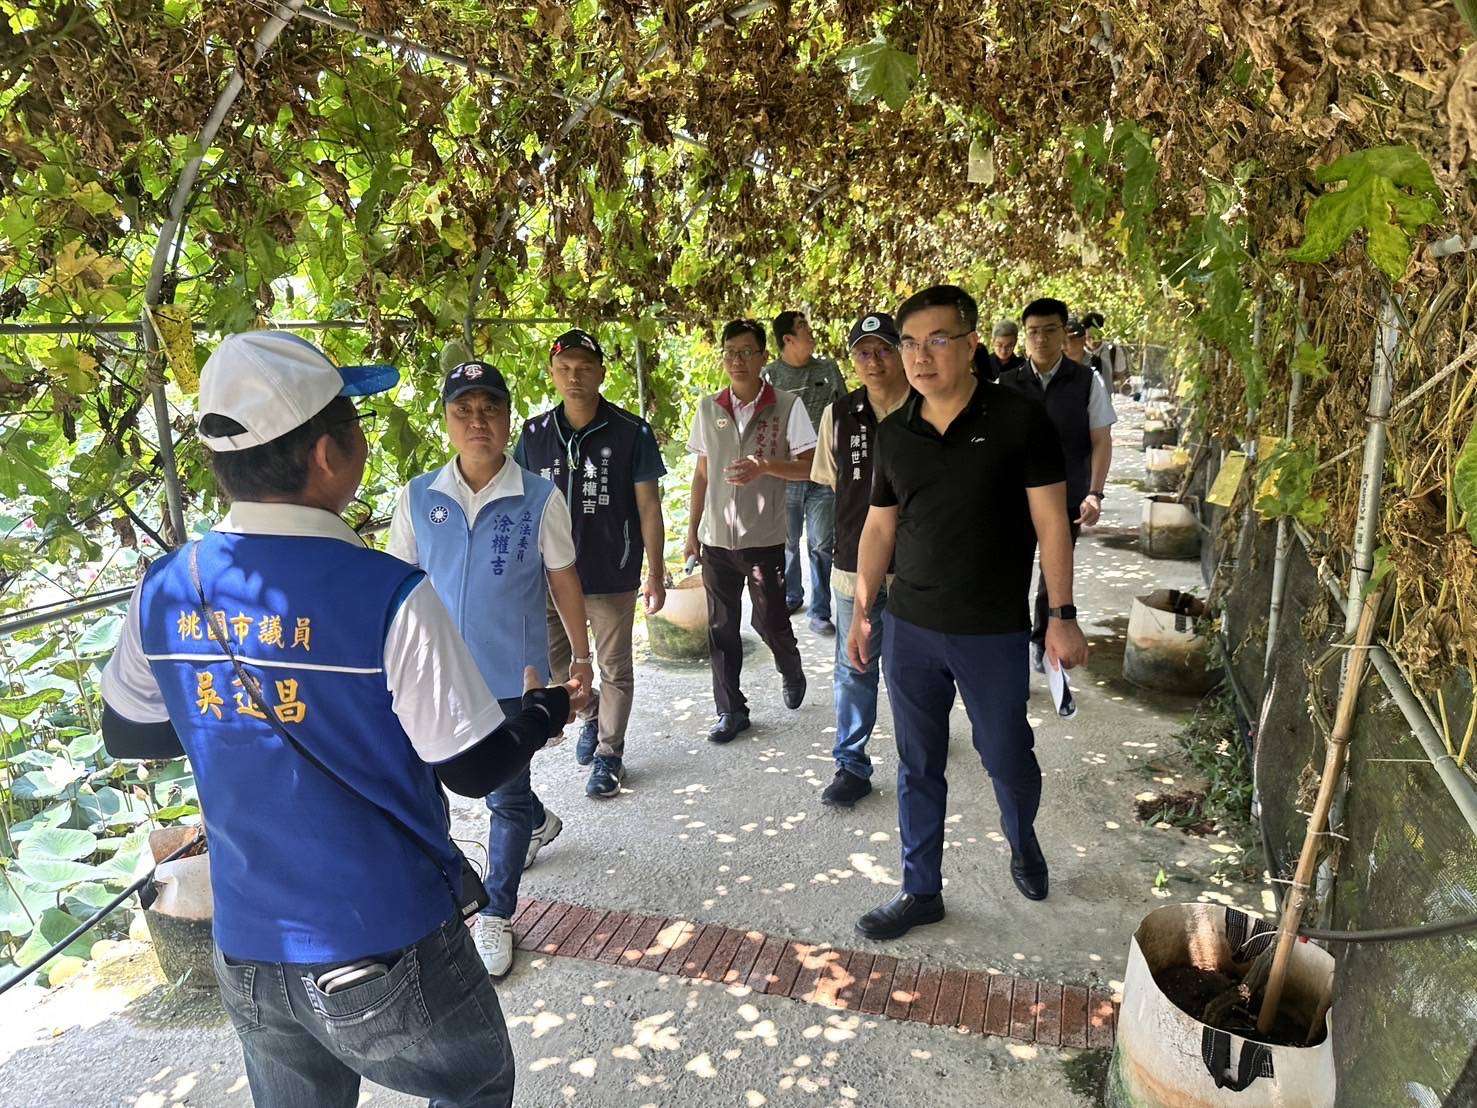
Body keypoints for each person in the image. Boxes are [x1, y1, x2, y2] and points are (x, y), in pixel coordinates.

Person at [99, 331, 580, 1107]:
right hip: (385, 935)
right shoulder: (387, 594)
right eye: (355, 420)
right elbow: (473, 768)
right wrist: (544, 711)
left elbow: (130, 734)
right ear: (329, 454)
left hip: (249, 942)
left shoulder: (165, 586)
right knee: (474, 1086)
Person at [847, 285, 1089, 941]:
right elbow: (878, 527)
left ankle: (1022, 838)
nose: (919, 357)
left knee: (1006, 756)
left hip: (991, 630)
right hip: (911, 629)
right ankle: (920, 889)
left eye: (937, 340)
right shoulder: (894, 432)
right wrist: (863, 610)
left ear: (970, 343)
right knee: (917, 764)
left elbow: (1052, 523)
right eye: (909, 343)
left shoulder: (1019, 419)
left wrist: (1061, 615)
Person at [387, 359, 593, 980]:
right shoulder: (418, 497)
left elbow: (563, 577)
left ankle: (497, 912)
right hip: (435, 675)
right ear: (447, 422)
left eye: (490, 409)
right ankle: (533, 819)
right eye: (463, 411)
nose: (477, 421)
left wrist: (580, 660)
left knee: (503, 796)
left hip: (511, 676)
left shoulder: (540, 497)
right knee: (441, 783)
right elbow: (397, 586)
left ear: (508, 419)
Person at [514, 328, 667, 800]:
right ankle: (590, 711)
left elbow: (648, 506)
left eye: (584, 368)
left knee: (615, 666)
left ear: (601, 373)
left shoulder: (631, 431)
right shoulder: (534, 435)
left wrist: (655, 572)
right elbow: (518, 504)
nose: (574, 377)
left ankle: (609, 754)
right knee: (559, 667)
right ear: (552, 374)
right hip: (548, 577)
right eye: (564, 368)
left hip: (610, 572)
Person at [686, 319, 815, 743]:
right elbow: (702, 475)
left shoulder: (787, 405)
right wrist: (692, 533)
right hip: (716, 540)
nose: (737, 360)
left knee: (771, 621)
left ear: (763, 357)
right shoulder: (709, 408)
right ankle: (731, 711)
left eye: (746, 352)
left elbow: (811, 467)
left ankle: (790, 665)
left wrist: (766, 466)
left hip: (764, 539)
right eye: (730, 352)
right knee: (721, 629)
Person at [810, 312, 910, 808]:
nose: (874, 361)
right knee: (855, 667)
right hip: (853, 564)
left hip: (918, 567)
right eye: (863, 353)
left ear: (902, 352)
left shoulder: (927, 406)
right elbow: (833, 484)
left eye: (884, 350)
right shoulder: (840, 414)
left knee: (913, 671)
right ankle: (851, 765)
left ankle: (920, 752)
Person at [994, 297, 1116, 674]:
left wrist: (1094, 493)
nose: (1041, 339)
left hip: (1067, 498)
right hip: (1014, 500)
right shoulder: (1007, 383)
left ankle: (1042, 640)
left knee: (1054, 575)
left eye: (1049, 330)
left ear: (1063, 333)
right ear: (1024, 335)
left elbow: (1101, 440)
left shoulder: (1086, 381)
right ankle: (1009, 642)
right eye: (1033, 332)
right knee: (1009, 573)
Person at [762, 310, 848, 634]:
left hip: (824, 473)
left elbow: (846, 412)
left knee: (822, 543)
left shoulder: (828, 369)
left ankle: (820, 610)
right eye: (803, 328)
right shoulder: (770, 376)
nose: (810, 332)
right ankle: (791, 596)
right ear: (788, 339)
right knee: (787, 542)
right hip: (785, 476)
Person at [1082, 311, 1127, 390]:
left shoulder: (1114, 351)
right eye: (1089, 337)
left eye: (1096, 336)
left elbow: (1120, 378)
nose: (1093, 341)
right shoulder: (1076, 352)